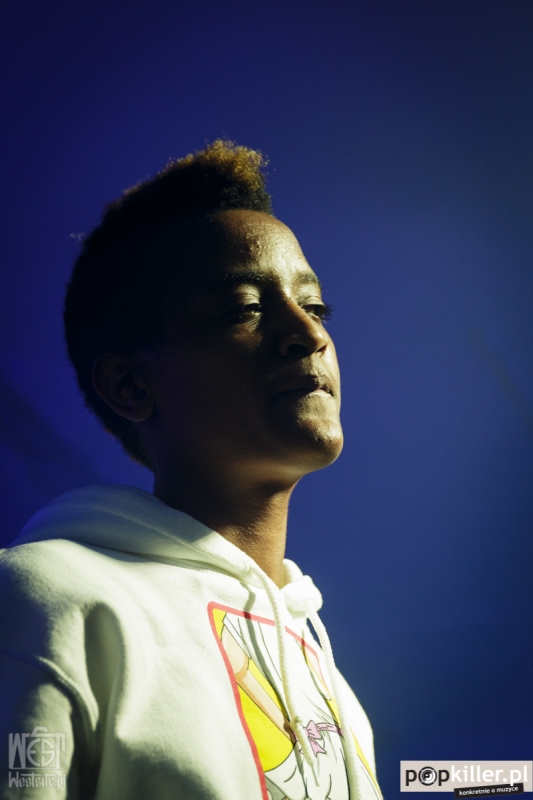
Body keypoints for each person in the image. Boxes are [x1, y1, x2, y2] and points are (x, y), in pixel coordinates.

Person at [0, 140, 382, 800]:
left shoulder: (336, 693)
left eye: (314, 306)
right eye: (244, 308)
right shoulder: (45, 600)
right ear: (130, 385)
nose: (309, 334)